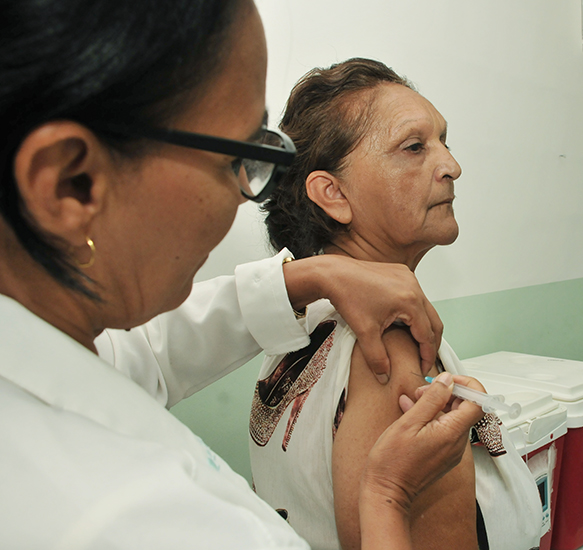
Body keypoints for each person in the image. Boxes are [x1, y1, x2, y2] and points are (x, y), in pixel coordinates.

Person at [0, 1, 483, 548]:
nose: (451, 165)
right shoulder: (111, 518)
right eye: (239, 154)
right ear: (71, 182)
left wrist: (307, 278)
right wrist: (387, 493)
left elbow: (149, 351)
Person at [249, 58, 543, 550]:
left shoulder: (302, 320)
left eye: (444, 141)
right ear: (333, 194)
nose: (452, 165)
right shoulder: (391, 349)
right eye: (414, 147)